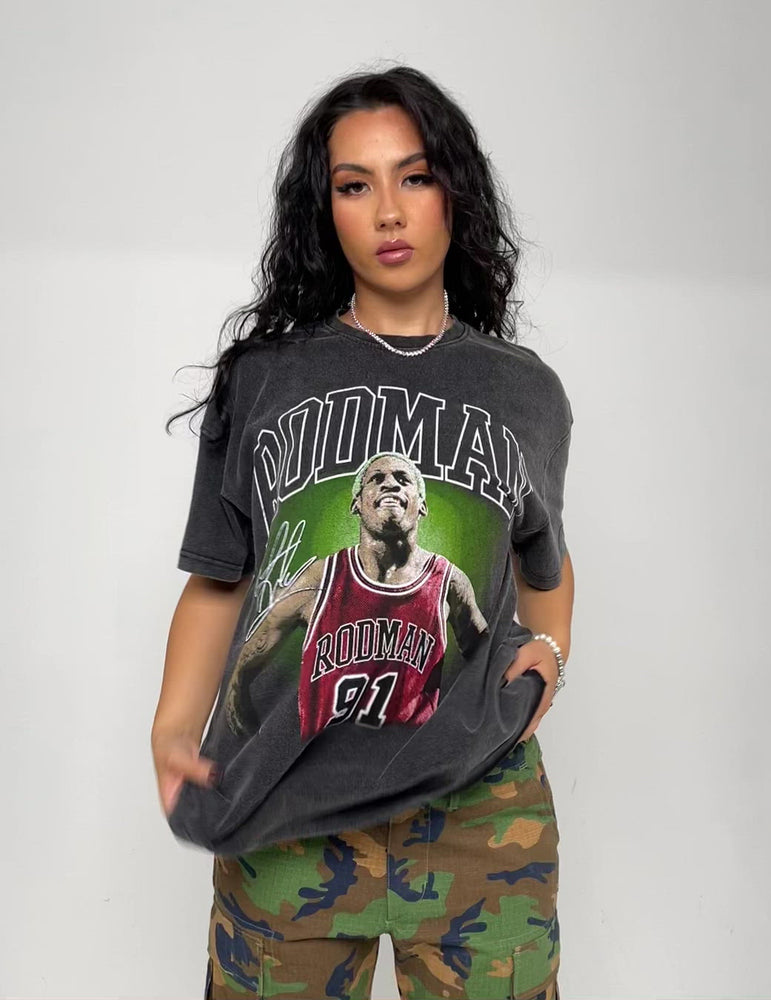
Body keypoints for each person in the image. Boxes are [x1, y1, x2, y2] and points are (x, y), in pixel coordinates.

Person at [151, 63, 574, 1000]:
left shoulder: (527, 391)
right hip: (286, 813)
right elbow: (220, 577)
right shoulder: (263, 378)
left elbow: (544, 557)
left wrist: (551, 648)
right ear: (325, 210)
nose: (388, 211)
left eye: (414, 177)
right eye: (355, 185)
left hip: (479, 818)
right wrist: (174, 726)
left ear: (454, 193)